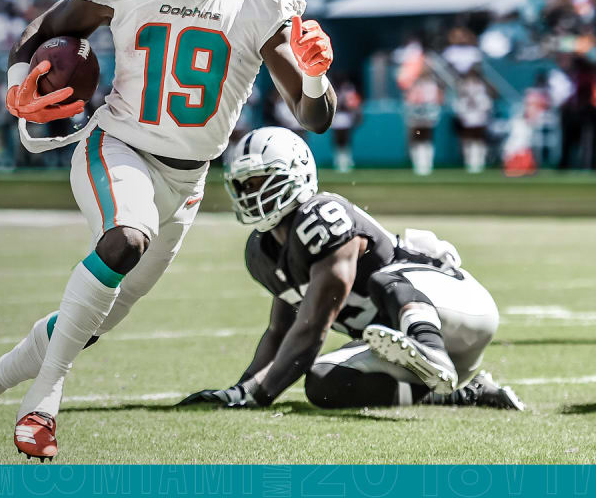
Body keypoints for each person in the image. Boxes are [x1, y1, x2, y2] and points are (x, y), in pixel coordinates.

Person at [0, 0, 337, 463]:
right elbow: (44, 28)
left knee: (95, 319)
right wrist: (20, 82)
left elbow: (315, 117)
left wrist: (314, 79)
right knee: (125, 238)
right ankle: (42, 404)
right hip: (118, 145)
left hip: (186, 180)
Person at [180, 127, 522, 411]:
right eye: (245, 184)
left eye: (260, 180)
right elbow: (281, 332)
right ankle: (461, 392)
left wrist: (259, 396)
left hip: (455, 307)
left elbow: (313, 328)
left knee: (383, 277)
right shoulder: (262, 252)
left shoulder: (322, 216)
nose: (250, 193)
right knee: (323, 382)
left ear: (297, 174)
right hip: (404, 345)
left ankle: (428, 344)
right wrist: (242, 389)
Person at [404, 65, 443, 176]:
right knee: (419, 140)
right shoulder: (416, 86)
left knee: (425, 141)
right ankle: (420, 164)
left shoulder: (430, 86)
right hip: (418, 119)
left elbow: (437, 102)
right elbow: (410, 102)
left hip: (426, 119)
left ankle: (425, 165)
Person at [453, 69, 493, 173]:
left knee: (478, 142)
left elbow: (487, 106)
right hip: (467, 121)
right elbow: (459, 109)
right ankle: (469, 163)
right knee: (467, 142)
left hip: (479, 121)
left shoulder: (482, 95)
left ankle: (479, 162)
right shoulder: (462, 98)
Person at [331, 74, 363, 172]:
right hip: (337, 118)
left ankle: (346, 161)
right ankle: (339, 161)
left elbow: (353, 105)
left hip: (345, 117)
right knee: (338, 141)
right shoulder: (334, 90)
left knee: (345, 141)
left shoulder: (349, 91)